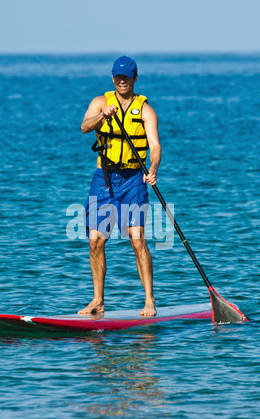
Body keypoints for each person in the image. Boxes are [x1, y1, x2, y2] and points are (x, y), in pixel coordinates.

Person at [78, 56, 161, 317]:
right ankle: (97, 301)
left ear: (135, 78)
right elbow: (84, 127)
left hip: (134, 179)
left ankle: (149, 300)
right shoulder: (100, 102)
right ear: (113, 78)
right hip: (104, 179)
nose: (122, 80)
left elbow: (155, 146)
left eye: (126, 76)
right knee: (95, 243)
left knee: (137, 241)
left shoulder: (145, 110)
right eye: (118, 76)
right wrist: (102, 116)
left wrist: (154, 169)